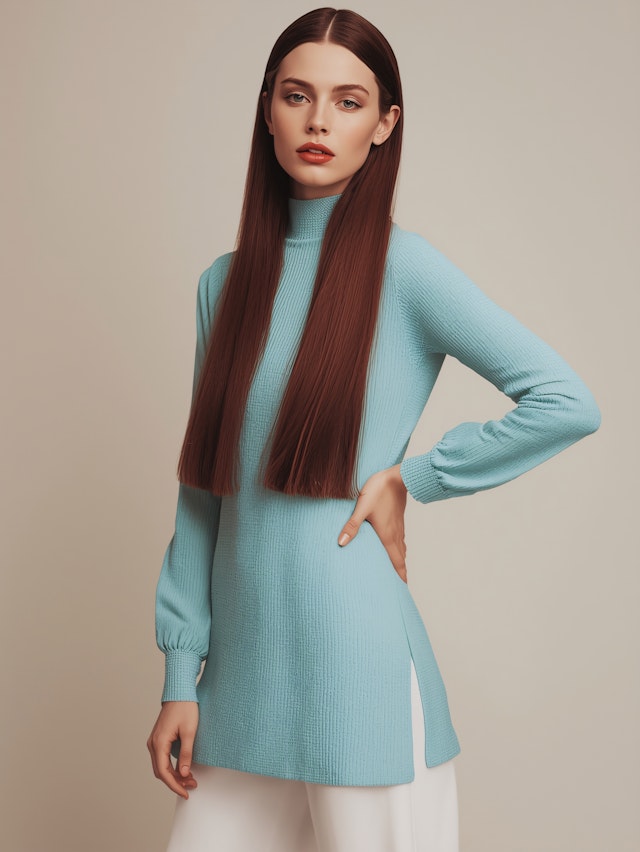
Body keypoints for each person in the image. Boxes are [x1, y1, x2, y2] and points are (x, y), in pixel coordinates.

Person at [147, 7, 601, 851]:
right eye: (297, 96)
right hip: (239, 683)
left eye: (348, 101)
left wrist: (411, 478)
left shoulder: (405, 268)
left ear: (385, 124)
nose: (319, 121)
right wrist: (181, 675)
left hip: (361, 685)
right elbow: (205, 492)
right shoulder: (224, 285)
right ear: (268, 110)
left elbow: (564, 399)